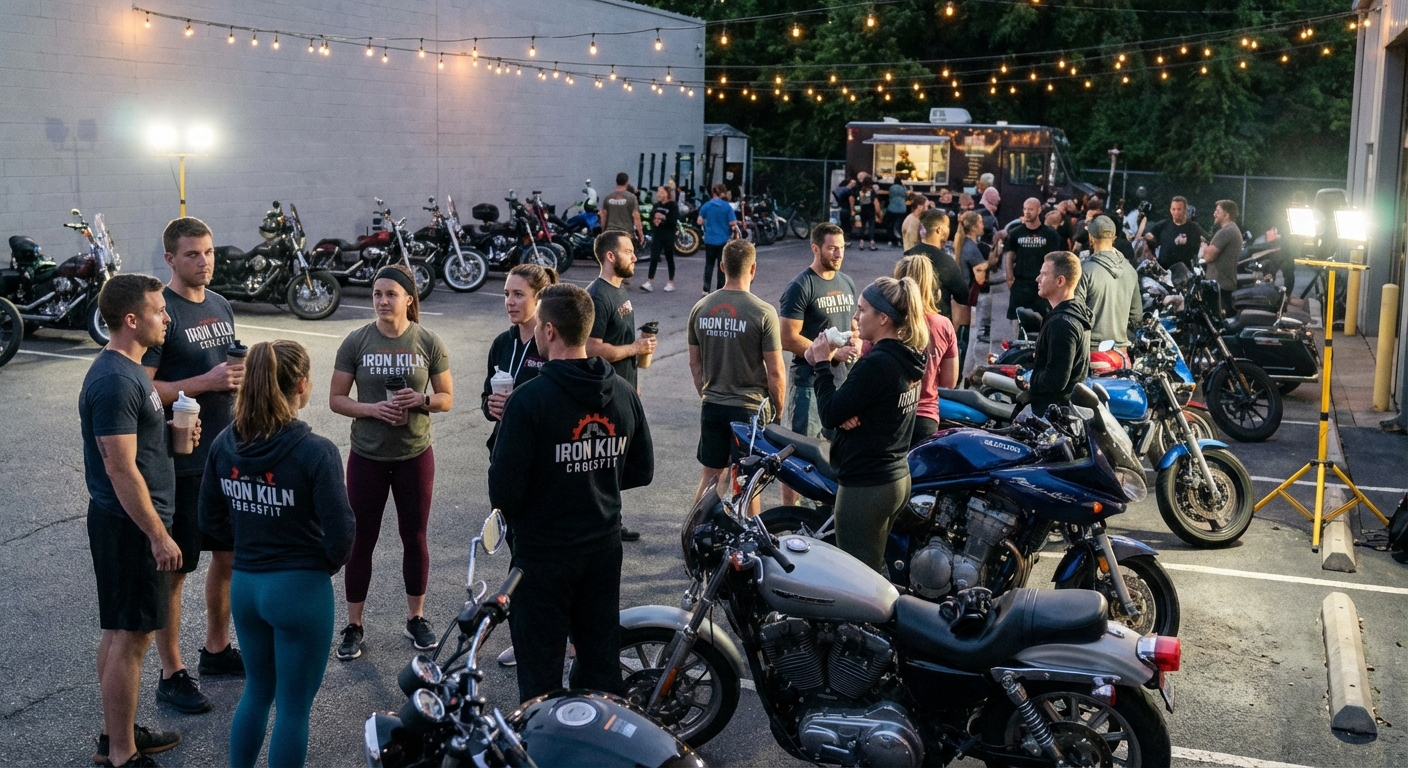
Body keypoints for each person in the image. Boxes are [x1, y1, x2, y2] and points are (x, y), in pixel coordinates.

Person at [489, 283, 654, 703]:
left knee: (540, 676)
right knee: (601, 665)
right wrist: (595, 477)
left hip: (542, 556)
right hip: (602, 547)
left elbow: (503, 490)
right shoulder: (622, 391)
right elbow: (641, 469)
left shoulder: (529, 401)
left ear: (548, 331)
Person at [199, 340, 354, 768]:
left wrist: (246, 544)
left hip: (247, 586)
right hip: (299, 588)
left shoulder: (225, 443)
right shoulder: (315, 451)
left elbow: (208, 519)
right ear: (302, 384)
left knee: (257, 692)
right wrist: (318, 565)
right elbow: (342, 533)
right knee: (292, 708)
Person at [82, 274, 186, 768]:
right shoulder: (115, 381)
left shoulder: (131, 372)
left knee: (119, 631)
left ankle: (113, 735)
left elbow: (134, 450)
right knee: (131, 639)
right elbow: (119, 467)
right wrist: (158, 534)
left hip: (127, 524)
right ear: (131, 320)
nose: (166, 318)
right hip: (129, 528)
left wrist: (168, 435)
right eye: (158, 311)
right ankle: (123, 754)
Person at [140, 218, 243, 718]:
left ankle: (218, 649)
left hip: (227, 455)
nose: (204, 262)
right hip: (181, 462)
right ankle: (171, 672)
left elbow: (228, 371)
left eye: (208, 252)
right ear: (170, 259)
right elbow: (143, 388)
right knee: (178, 569)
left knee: (226, 558)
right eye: (192, 255)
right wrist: (206, 380)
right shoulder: (161, 311)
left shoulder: (221, 304)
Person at [330, 265, 453, 661]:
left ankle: (415, 617)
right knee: (360, 539)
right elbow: (336, 398)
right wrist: (372, 409)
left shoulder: (428, 340)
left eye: (390, 294)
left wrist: (422, 401)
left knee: (414, 537)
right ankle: (354, 625)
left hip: (414, 454)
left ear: (408, 299)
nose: (382, 301)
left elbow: (447, 396)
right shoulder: (356, 341)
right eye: (377, 294)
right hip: (366, 455)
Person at [804, 277, 926, 573]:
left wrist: (822, 364)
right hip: (895, 478)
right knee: (873, 570)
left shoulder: (876, 364)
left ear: (883, 318)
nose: (855, 318)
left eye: (862, 310)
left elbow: (831, 413)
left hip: (866, 485)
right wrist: (845, 410)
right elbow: (862, 407)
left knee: (857, 579)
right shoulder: (907, 357)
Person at [687, 239, 786, 503]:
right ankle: (747, 540)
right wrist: (778, 409)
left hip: (713, 404)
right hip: (749, 409)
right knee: (748, 480)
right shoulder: (763, 312)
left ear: (722, 266)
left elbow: (695, 364)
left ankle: (697, 533)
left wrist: (707, 393)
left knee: (710, 477)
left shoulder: (700, 308)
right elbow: (776, 371)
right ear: (753, 269)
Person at [778, 223, 859, 506]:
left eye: (842, 248)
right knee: (799, 453)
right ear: (816, 248)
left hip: (841, 383)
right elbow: (787, 338)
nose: (838, 254)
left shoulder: (847, 282)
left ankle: (823, 514)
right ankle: (791, 518)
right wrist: (829, 354)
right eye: (832, 248)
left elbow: (852, 324)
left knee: (836, 451)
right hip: (807, 383)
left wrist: (856, 340)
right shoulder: (802, 285)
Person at [586, 232, 654, 540]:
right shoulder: (598, 297)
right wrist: (635, 349)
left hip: (623, 389)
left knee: (617, 462)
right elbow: (592, 348)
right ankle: (603, 523)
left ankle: (611, 519)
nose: (635, 257)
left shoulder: (619, 291)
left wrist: (634, 381)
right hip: (604, 393)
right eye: (628, 251)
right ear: (611, 256)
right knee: (603, 463)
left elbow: (620, 340)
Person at [483, 264, 556, 452]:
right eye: (506, 294)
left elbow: (561, 404)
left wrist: (517, 407)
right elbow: (486, 395)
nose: (509, 301)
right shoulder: (502, 343)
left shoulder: (553, 344)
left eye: (518, 294)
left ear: (539, 299)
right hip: (503, 449)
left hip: (541, 452)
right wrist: (490, 407)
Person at [893, 256, 959, 445]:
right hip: (925, 417)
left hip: (890, 415)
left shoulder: (885, 321)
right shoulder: (943, 325)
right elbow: (949, 381)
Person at [1029, 252, 1091, 415]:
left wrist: (1030, 379)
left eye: (1044, 274)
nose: (1038, 279)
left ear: (1060, 281)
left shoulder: (1062, 323)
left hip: (1054, 418)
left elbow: (1055, 380)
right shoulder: (1071, 313)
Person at [1074, 216, 1142, 356]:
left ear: (1091, 238)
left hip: (1091, 352)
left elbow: (1075, 314)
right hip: (1120, 353)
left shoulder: (1084, 270)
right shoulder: (1130, 271)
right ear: (1114, 238)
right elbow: (1136, 317)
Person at [1003, 198, 1063, 336]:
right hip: (1021, 284)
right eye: (1025, 209)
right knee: (1019, 324)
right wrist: (1009, 277)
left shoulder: (1050, 234)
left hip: (1042, 284)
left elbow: (1055, 259)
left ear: (1039, 210)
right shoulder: (1016, 233)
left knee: (1043, 323)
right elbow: (1009, 256)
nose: (1027, 212)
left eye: (1030, 209)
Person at [905, 208, 968, 319]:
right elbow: (963, 296)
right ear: (939, 229)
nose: (949, 230)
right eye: (947, 226)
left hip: (911, 321)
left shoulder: (907, 256)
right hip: (937, 324)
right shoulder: (946, 261)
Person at [952, 211, 986, 371]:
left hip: (960, 297)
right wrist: (991, 261)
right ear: (973, 227)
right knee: (963, 338)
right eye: (980, 223)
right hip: (966, 299)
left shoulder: (963, 243)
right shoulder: (971, 248)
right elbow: (980, 275)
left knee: (959, 336)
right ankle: (958, 373)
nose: (983, 225)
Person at [1202, 200, 1245, 317]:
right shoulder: (1233, 230)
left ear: (1226, 215)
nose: (1214, 214)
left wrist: (1204, 247)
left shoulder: (1226, 231)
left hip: (1220, 287)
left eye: (1218, 211)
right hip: (1225, 285)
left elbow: (1208, 257)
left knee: (1215, 321)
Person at [697, 184, 740, 295]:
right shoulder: (727, 207)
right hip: (723, 240)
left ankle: (705, 289)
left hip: (709, 239)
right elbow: (732, 223)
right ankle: (720, 289)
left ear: (713, 192)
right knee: (722, 265)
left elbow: (699, 221)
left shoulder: (706, 205)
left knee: (709, 264)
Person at [642, 186, 678, 293]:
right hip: (657, 235)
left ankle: (671, 282)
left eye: (662, 192)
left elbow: (673, 220)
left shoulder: (672, 205)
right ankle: (649, 281)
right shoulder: (656, 205)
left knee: (669, 257)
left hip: (668, 235)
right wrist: (654, 221)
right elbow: (651, 217)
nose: (659, 194)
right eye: (658, 192)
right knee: (654, 257)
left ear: (667, 193)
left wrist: (663, 220)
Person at [601, 172, 643, 246]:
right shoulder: (632, 198)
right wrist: (640, 234)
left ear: (616, 182)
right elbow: (636, 216)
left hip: (610, 233)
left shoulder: (608, 197)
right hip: (626, 233)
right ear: (627, 182)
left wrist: (603, 231)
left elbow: (603, 216)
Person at [855, 179, 880, 251]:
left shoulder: (860, 191)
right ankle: (872, 242)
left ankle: (861, 242)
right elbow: (875, 202)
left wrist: (857, 212)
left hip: (862, 211)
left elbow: (857, 202)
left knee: (862, 226)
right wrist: (878, 213)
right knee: (871, 226)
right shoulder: (872, 192)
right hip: (871, 211)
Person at [885, 180, 908, 246]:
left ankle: (891, 240)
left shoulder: (891, 187)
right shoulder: (903, 188)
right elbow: (906, 196)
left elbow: (890, 196)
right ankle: (899, 240)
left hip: (892, 208)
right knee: (900, 225)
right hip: (902, 208)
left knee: (890, 224)